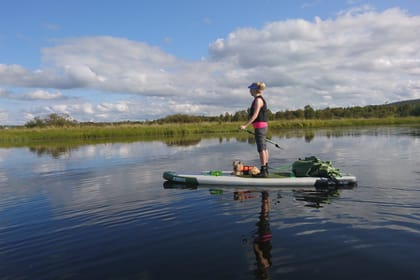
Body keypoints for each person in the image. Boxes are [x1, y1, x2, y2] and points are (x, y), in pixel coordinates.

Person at [239, 82, 269, 177]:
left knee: (261, 149)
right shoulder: (259, 99)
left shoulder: (258, 100)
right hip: (261, 126)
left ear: (254, 90)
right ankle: (265, 169)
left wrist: (245, 126)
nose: (249, 91)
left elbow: (255, 115)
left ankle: (264, 170)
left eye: (250, 89)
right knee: (263, 148)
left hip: (260, 127)